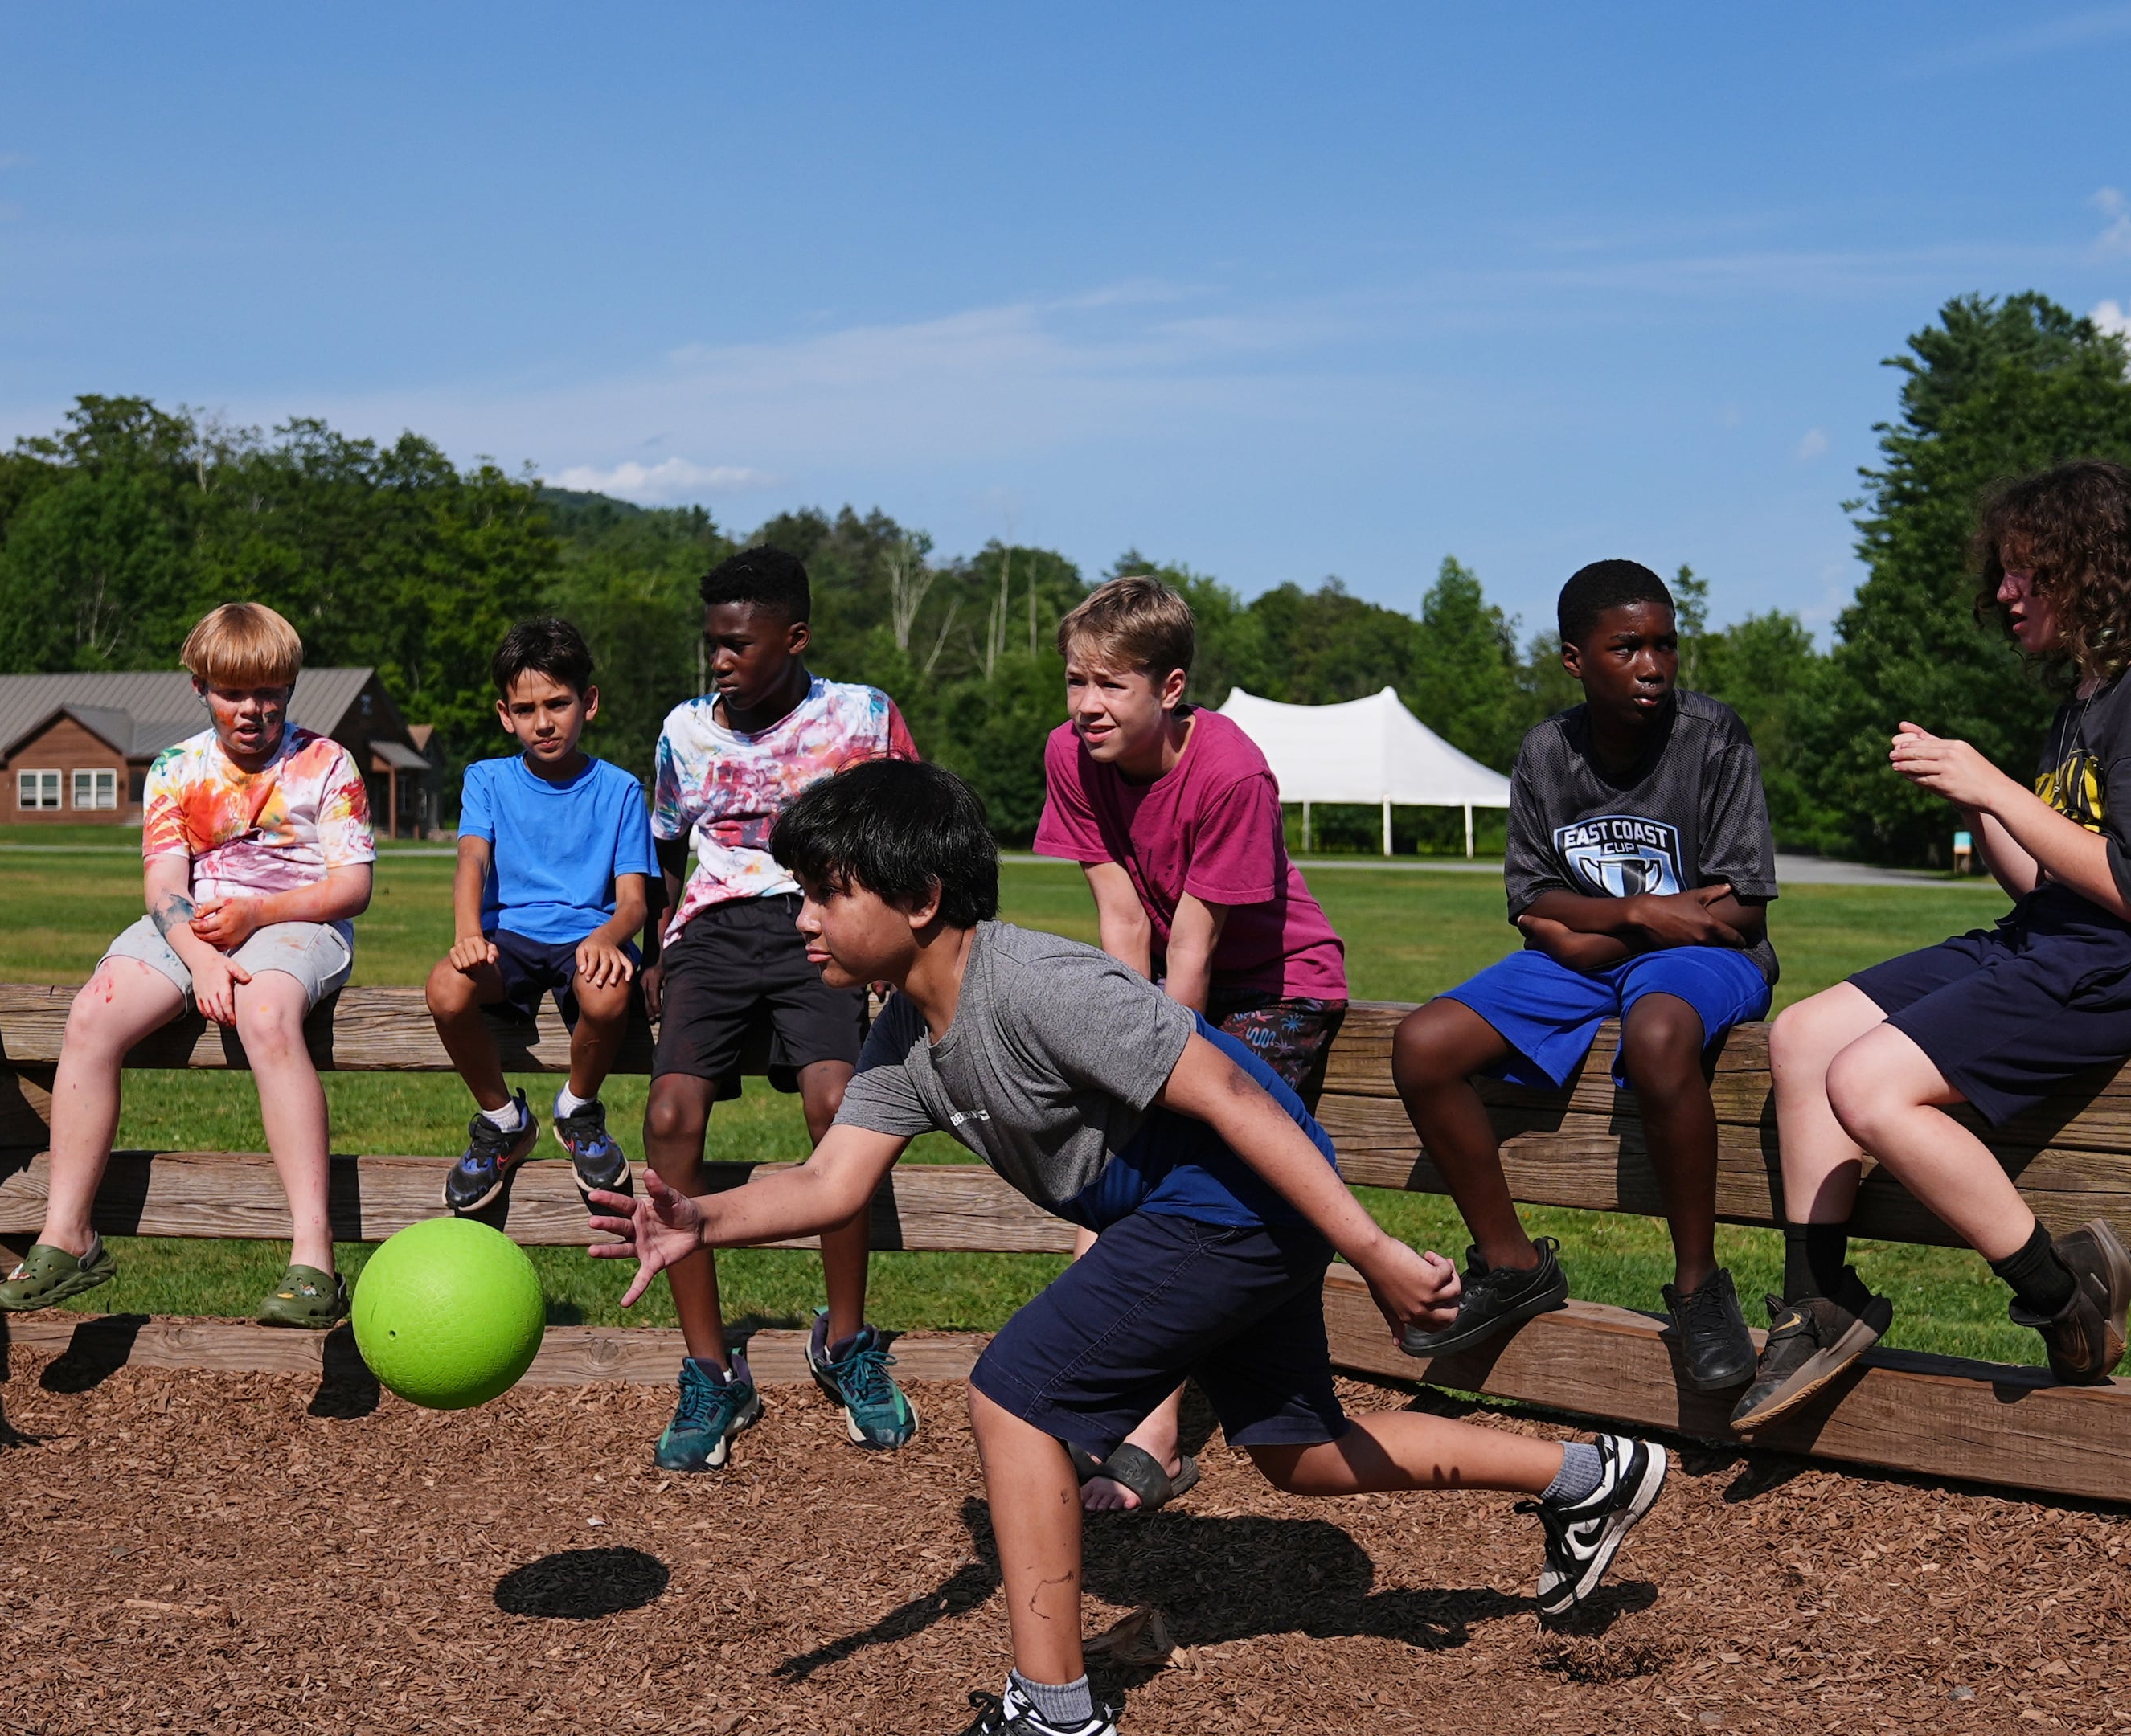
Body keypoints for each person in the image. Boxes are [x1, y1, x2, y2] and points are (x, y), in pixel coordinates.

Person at [592, 759, 1670, 1736]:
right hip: (1222, 1216)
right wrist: (702, 1216)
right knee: (1298, 1452)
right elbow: (833, 1182)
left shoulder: (1047, 990)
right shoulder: (901, 1038)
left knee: (1014, 1392)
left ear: (919, 902)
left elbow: (1243, 1095)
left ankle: (1054, 1711)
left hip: (1235, 1201)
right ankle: (1588, 1474)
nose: (802, 917)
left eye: (827, 892)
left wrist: (1372, 1249)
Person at [1741, 460, 2131, 1430]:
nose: (2002, 594)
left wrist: (1995, 787)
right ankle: (1819, 1299)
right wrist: (1980, 801)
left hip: (2106, 968)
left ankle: (2064, 1299)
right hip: (2040, 937)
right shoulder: (2080, 703)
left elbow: (2126, 886)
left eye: (2023, 571)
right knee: (1802, 1037)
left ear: (2090, 568)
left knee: (1866, 1086)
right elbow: (2046, 879)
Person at [1388, 560, 1775, 1396]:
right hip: (1593, 957)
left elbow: (1740, 910)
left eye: (1665, 645)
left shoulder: (1713, 737)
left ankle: (1699, 1290)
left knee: (1660, 1032)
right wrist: (1640, 915)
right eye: (1627, 647)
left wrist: (1600, 928)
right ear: (1575, 659)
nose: (1652, 665)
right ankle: (1513, 1264)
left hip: (1704, 959)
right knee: (1423, 1045)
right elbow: (1531, 901)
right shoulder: (1547, 751)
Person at [1033, 572, 1351, 1513]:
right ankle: (1107, 1400)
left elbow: (1198, 947)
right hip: (1170, 975)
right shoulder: (1070, 755)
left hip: (1279, 987)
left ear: (1170, 689)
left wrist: (1154, 1078)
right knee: (1122, 1159)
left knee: (1173, 1169)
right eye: (1075, 681)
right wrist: (1118, 1054)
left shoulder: (1231, 770)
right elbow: (1125, 922)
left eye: (1110, 685)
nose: (1086, 705)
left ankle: (1154, 1437)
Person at [0, 602, 375, 1329]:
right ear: (199, 687)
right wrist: (198, 958)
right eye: (233, 693)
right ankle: (68, 1235)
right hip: (193, 925)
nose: (252, 710)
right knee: (92, 1013)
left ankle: (314, 1258)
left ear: (290, 689)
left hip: (297, 920)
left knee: (265, 1015)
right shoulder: (175, 767)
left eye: (270, 692)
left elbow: (353, 886)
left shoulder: (327, 763)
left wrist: (257, 916)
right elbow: (164, 886)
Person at [643, 545, 917, 1468]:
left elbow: (910, 825)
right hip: (714, 933)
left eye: (738, 644)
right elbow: (667, 851)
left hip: (821, 923)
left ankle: (844, 1342)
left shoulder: (861, 717)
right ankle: (711, 1370)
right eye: (711, 643)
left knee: (839, 1104)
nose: (719, 660)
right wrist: (649, 949)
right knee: (671, 1115)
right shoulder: (684, 729)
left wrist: (894, 950)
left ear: (794, 639)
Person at [431, 617, 650, 1215]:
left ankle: (577, 1109)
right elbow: (472, 858)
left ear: (589, 703)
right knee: (446, 989)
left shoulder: (621, 789)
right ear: (506, 714)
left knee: (606, 996)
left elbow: (633, 900)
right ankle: (503, 1119)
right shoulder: (488, 778)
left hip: (588, 937)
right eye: (526, 709)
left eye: (558, 703)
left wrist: (608, 937)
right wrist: (468, 933)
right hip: (509, 938)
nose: (544, 722)